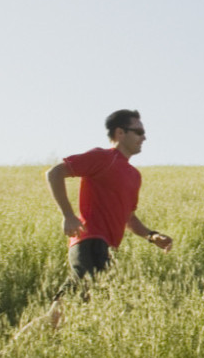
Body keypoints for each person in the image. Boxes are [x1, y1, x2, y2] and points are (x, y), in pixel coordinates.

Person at [24, 108, 173, 333]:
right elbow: (54, 173)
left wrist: (151, 236)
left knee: (74, 312)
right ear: (120, 133)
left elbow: (128, 218)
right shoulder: (102, 158)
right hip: (89, 241)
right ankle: (7, 355)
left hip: (107, 249)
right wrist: (68, 215)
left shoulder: (134, 175)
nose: (144, 137)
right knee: (67, 311)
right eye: (139, 131)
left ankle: (23, 352)